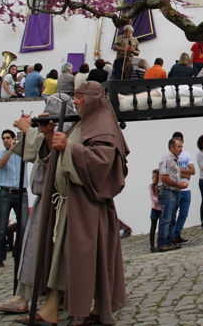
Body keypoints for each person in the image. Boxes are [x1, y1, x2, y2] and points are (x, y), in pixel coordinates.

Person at [16, 82, 128, 326]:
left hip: (88, 207)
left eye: (79, 97)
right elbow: (56, 157)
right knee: (66, 258)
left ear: (93, 99)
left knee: (82, 259)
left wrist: (68, 146)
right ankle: (56, 309)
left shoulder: (103, 128)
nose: (75, 102)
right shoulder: (81, 123)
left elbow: (103, 163)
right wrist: (49, 135)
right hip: (70, 204)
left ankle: (88, 310)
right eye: (74, 96)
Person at [0, 95, 74, 315]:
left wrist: (30, 131)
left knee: (36, 249)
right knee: (36, 248)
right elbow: (31, 152)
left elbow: (49, 152)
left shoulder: (66, 128)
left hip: (54, 198)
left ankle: (25, 298)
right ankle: (29, 296)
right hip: (46, 198)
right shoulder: (56, 126)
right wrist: (29, 132)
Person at [0, 129, 28, 268]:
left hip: (21, 194)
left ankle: (19, 255)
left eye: (8, 138)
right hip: (5, 193)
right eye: (3, 138)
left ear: (14, 139)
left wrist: (19, 146)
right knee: (2, 228)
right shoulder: (0, 154)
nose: (5, 140)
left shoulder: (22, 153)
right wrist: (10, 151)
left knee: (24, 226)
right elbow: (0, 165)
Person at [157, 137, 188, 252]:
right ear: (172, 147)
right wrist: (178, 184)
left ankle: (169, 242)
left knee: (172, 218)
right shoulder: (167, 159)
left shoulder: (175, 160)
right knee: (166, 219)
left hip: (174, 191)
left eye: (181, 146)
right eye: (179, 147)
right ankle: (162, 243)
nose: (181, 149)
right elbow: (163, 177)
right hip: (167, 191)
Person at [170, 131, 195, 246]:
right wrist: (185, 174)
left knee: (183, 214)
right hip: (176, 190)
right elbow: (172, 172)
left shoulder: (186, 155)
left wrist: (180, 171)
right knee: (173, 214)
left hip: (186, 189)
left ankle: (176, 234)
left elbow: (192, 171)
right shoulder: (170, 158)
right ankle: (171, 236)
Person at [148, 169, 161, 253]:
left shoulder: (161, 186)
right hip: (154, 209)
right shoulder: (152, 187)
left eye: (154, 176)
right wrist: (159, 200)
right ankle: (152, 246)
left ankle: (161, 243)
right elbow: (152, 197)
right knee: (153, 227)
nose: (152, 178)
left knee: (162, 226)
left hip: (161, 209)